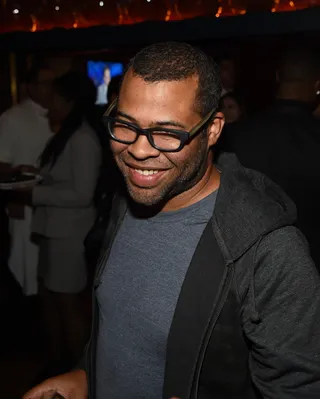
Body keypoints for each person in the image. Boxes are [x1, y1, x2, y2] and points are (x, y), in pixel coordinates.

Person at [24, 42, 320, 399]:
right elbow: (124, 334)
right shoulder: (130, 200)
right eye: (125, 125)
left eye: (167, 132)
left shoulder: (269, 252)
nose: (139, 149)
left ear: (212, 130)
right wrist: (86, 377)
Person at [16, 71, 102, 372]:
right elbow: (65, 179)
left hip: (70, 234)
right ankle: (58, 363)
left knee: (68, 305)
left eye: (53, 96)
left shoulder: (83, 139)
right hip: (56, 230)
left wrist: (35, 191)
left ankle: (78, 372)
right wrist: (36, 175)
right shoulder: (69, 134)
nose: (48, 102)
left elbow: (81, 193)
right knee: (53, 300)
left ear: (67, 100)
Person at [220, 45, 320, 271]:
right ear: (317, 87)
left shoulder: (237, 136)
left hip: (252, 267)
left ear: (278, 78)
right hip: (313, 266)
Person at [0, 61, 54, 296]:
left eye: (55, 84)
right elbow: (1, 164)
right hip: (25, 205)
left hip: (54, 205)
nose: (51, 89)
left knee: (49, 274)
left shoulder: (59, 114)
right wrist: (14, 194)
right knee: (26, 271)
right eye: (46, 84)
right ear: (30, 87)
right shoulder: (13, 117)